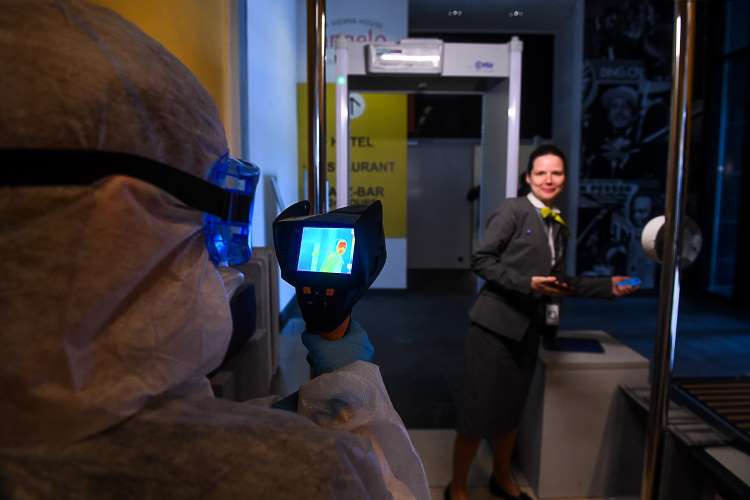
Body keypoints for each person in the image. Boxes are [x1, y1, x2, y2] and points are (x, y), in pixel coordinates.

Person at [0, 2, 428, 498]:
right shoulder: (301, 477)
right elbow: (390, 486)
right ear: (117, 217)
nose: (215, 253)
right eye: (213, 208)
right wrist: (350, 398)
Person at [446, 144, 638, 500]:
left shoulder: (557, 224)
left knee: (511, 412)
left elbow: (558, 281)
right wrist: (526, 283)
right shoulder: (513, 211)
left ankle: (501, 477)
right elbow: (481, 260)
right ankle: (457, 487)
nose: (549, 179)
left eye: (556, 173)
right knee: (477, 412)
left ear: (564, 178)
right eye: (541, 172)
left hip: (528, 329)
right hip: (492, 329)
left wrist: (606, 286)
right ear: (528, 177)